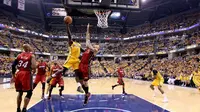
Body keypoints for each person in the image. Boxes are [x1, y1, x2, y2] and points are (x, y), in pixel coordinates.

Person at [53, 21, 84, 93]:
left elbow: (84, 51)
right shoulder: (71, 43)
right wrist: (67, 26)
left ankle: (79, 87)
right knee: (63, 70)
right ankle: (52, 76)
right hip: (71, 58)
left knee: (77, 74)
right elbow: (69, 35)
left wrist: (90, 50)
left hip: (76, 60)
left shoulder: (79, 45)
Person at [79, 24, 100, 105]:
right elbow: (87, 38)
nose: (96, 47)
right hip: (81, 64)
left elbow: (88, 43)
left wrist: (92, 46)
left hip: (85, 67)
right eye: (96, 45)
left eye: (98, 47)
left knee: (85, 82)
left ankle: (86, 95)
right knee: (80, 81)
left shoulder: (93, 51)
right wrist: (87, 28)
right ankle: (87, 93)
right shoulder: (88, 48)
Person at [11, 44, 36, 112]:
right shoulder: (31, 55)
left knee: (20, 92)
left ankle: (18, 109)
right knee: (29, 92)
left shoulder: (18, 55)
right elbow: (34, 66)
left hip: (19, 73)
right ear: (28, 48)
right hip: (26, 74)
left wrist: (13, 75)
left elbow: (13, 65)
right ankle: (24, 109)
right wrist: (34, 70)